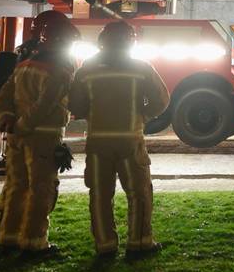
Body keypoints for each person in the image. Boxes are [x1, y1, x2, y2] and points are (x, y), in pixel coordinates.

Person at [68, 21, 169, 256]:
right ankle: (140, 242)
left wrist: (92, 114)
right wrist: (144, 116)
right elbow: (162, 100)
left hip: (98, 141)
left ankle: (105, 245)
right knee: (139, 193)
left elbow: (75, 104)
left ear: (102, 41)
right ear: (131, 42)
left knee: (100, 194)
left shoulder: (86, 69)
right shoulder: (142, 67)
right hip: (129, 140)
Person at [0, 10, 78, 254]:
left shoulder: (25, 64)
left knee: (16, 185)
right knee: (41, 188)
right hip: (43, 137)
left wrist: (9, 120)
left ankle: (8, 236)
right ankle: (34, 241)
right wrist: (25, 126)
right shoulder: (60, 69)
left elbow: (4, 95)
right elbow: (46, 103)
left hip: (16, 137)